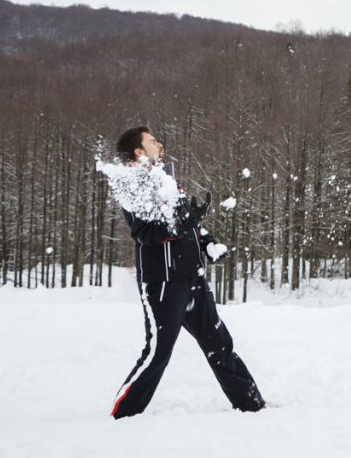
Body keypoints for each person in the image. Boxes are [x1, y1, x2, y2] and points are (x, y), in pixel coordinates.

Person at [109, 126, 266, 418]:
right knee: (158, 354)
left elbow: (186, 222)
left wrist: (208, 242)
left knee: (219, 344)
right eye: (152, 140)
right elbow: (145, 233)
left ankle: (252, 406)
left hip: (192, 275)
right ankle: (123, 413)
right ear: (138, 151)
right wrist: (181, 224)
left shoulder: (164, 177)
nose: (159, 143)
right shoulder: (132, 184)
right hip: (164, 283)